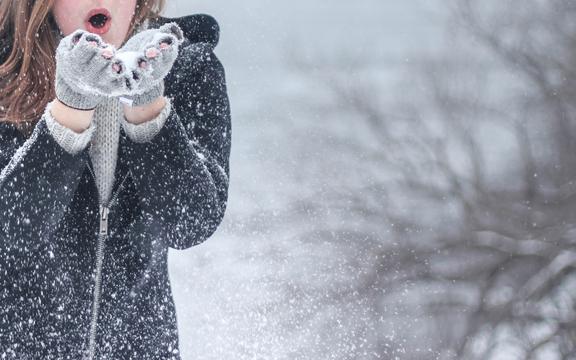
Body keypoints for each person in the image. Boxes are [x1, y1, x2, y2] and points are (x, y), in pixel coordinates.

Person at [0, 0, 231, 359]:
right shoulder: (6, 68)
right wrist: (71, 110)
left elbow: (192, 223)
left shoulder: (188, 69)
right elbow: (11, 227)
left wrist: (148, 108)